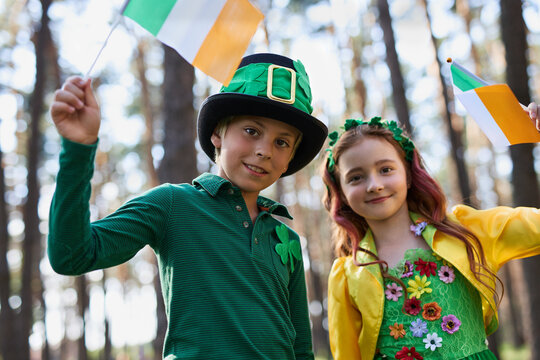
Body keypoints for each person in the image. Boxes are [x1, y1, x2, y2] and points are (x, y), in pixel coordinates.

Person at [48, 53, 328, 359]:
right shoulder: (172, 204)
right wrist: (78, 148)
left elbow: (301, 347)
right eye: (252, 131)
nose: (264, 151)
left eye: (282, 142)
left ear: (290, 159)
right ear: (218, 133)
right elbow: (71, 256)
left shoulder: (285, 238)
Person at [321, 108, 540, 359]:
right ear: (342, 193)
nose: (375, 185)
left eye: (385, 170)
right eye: (356, 177)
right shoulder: (348, 275)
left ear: (408, 174)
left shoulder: (465, 231)